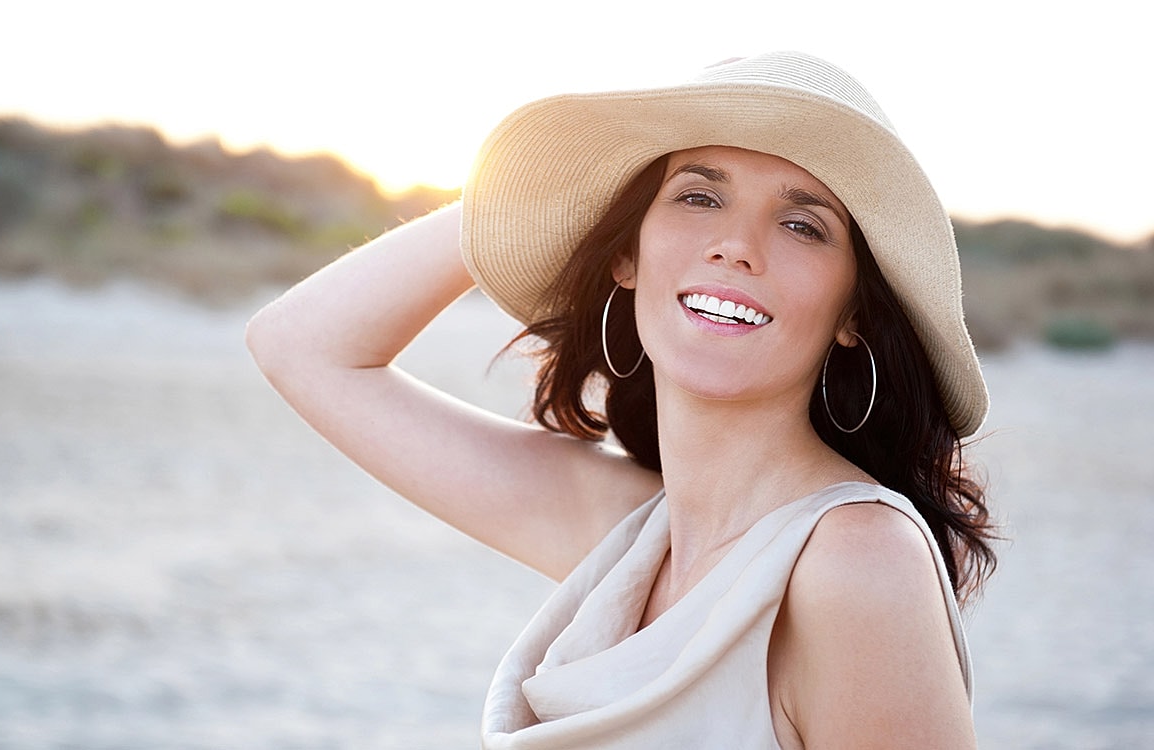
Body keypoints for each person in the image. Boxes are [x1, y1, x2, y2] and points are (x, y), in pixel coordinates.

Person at [246, 51, 996, 749]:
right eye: (699, 196)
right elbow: (299, 346)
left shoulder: (856, 561)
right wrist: (529, 189)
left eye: (803, 224)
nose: (736, 245)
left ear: (853, 313)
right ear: (626, 255)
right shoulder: (634, 534)